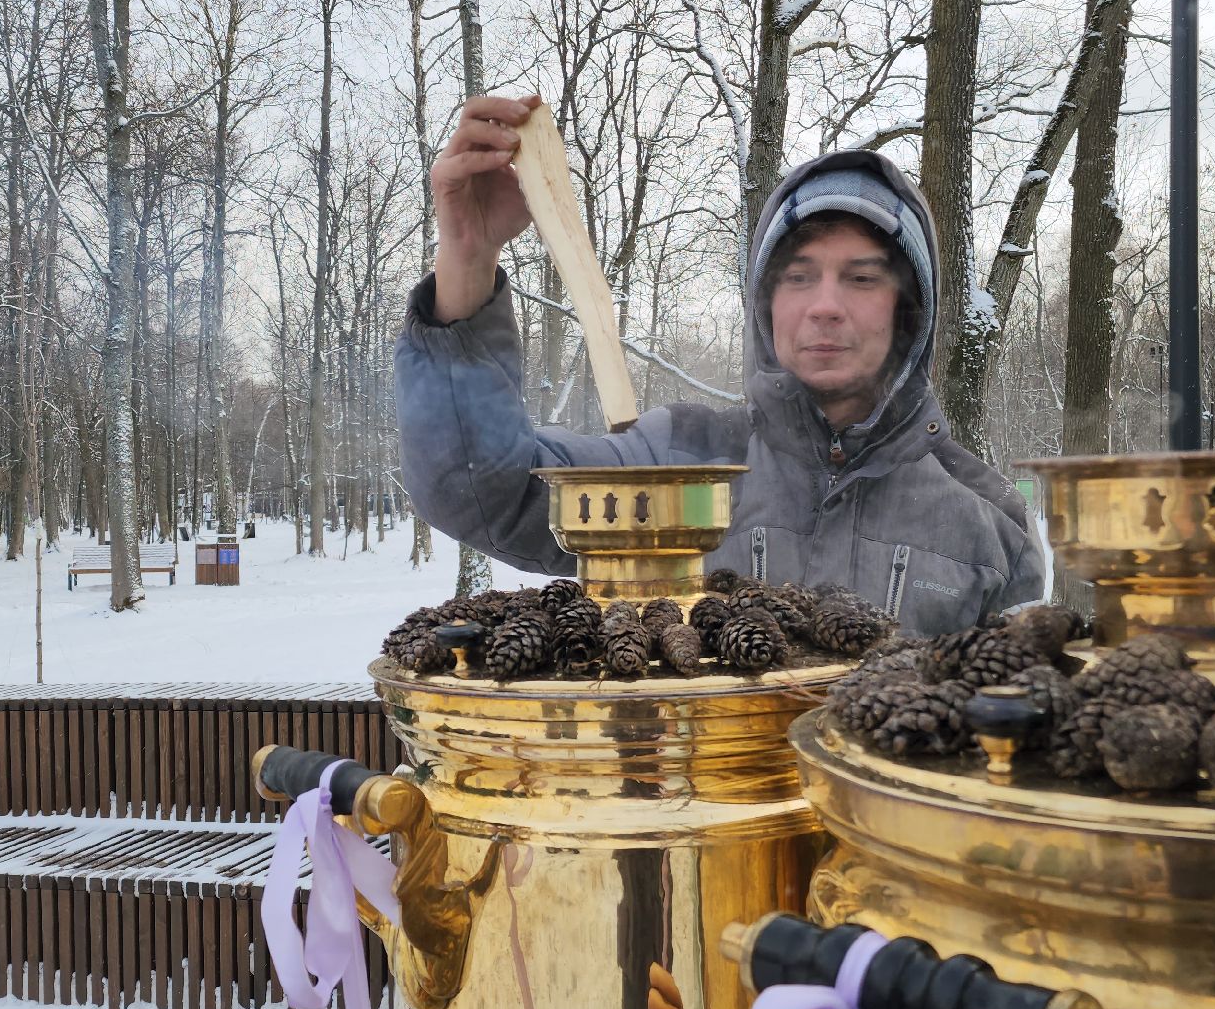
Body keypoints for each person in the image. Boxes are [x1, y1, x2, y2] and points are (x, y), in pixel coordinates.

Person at [395, 95, 1044, 635]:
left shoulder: (987, 525)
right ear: (766, 305)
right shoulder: (679, 459)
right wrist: (468, 257)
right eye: (797, 276)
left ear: (911, 309)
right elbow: (482, 489)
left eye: (862, 277)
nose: (824, 307)